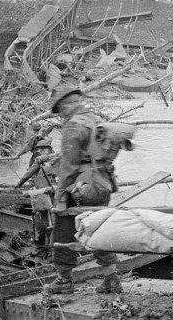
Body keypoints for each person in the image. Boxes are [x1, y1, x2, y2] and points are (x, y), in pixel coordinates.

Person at [49, 86, 122, 294]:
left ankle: (64, 280)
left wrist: (60, 198)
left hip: (82, 188)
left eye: (60, 110)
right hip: (103, 184)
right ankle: (111, 277)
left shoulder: (73, 127)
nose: (60, 115)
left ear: (66, 106)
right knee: (96, 228)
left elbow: (68, 168)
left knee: (63, 232)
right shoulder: (95, 120)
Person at [15, 139, 58, 258]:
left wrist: (19, 184)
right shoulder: (41, 162)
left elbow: (27, 174)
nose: (42, 152)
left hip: (51, 194)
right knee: (43, 221)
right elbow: (28, 174)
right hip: (45, 195)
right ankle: (42, 249)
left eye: (45, 149)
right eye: (40, 150)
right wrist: (19, 183)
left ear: (50, 150)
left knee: (47, 222)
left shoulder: (47, 161)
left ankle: (48, 249)